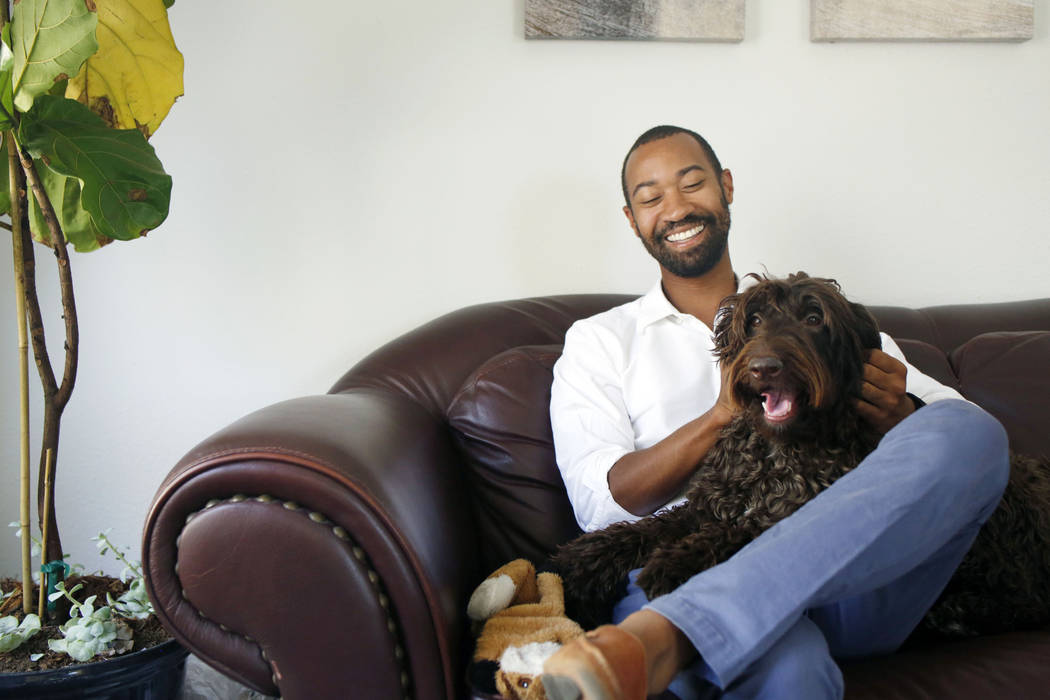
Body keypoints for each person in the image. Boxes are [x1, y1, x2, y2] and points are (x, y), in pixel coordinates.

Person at [541, 125, 1010, 700]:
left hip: (852, 578)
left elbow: (970, 453)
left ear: (727, 187)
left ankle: (678, 631)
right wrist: (719, 415)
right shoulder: (600, 341)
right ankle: (688, 625)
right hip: (686, 566)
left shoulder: (824, 319)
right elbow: (602, 504)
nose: (677, 207)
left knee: (971, 430)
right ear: (631, 217)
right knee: (789, 673)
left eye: (693, 183)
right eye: (651, 197)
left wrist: (898, 413)